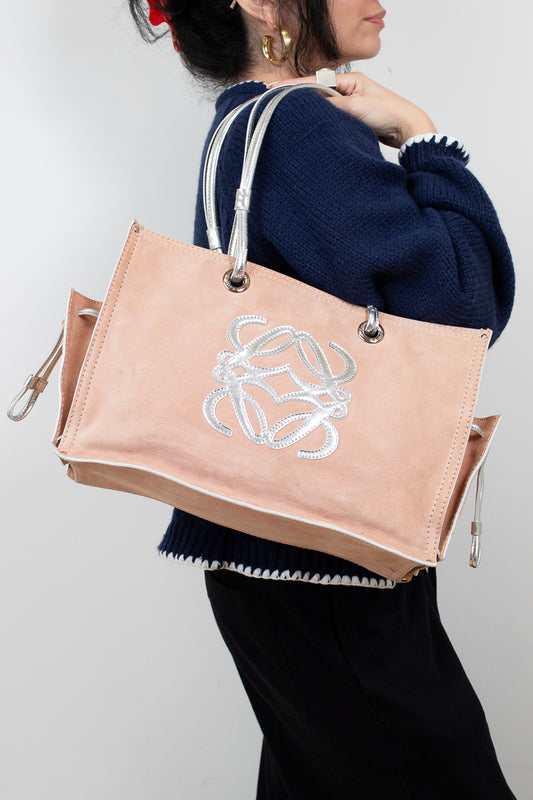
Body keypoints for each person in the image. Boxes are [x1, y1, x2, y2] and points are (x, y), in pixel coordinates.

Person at [129, 1, 517, 797]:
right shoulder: (303, 128)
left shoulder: (241, 124)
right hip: (328, 560)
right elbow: (459, 306)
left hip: (257, 553)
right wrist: (424, 140)